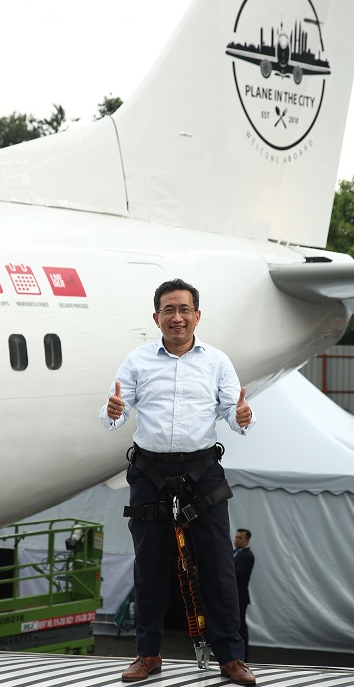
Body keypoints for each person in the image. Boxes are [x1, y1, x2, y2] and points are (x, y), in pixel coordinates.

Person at [100, 278, 257, 685]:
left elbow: (234, 413)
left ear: (197, 316)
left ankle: (230, 657)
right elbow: (114, 412)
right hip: (149, 473)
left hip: (202, 473)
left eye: (184, 309)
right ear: (156, 318)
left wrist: (242, 417)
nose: (177, 317)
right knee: (149, 566)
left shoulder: (217, 362)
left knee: (218, 567)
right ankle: (148, 654)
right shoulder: (137, 361)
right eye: (168, 310)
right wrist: (113, 410)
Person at [233, 528, 255, 662]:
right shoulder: (234, 552)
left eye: (240, 538)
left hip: (239, 597)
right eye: (236, 537)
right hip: (232, 596)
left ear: (247, 540)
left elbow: (235, 574)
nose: (236, 540)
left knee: (240, 627)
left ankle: (243, 656)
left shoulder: (247, 556)